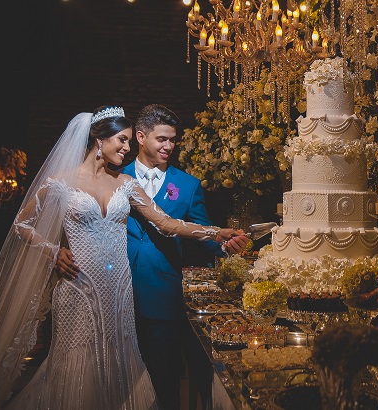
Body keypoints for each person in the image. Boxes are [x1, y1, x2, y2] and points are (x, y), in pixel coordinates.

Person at [0, 105, 246, 410]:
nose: (126, 147)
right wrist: (52, 251)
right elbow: (21, 225)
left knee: (119, 357)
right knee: (77, 358)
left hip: (119, 289)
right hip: (77, 285)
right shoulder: (61, 182)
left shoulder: (126, 184)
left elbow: (166, 223)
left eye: (128, 140)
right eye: (121, 140)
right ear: (100, 140)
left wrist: (215, 232)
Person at [55, 103, 248, 410]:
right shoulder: (112, 173)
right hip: (104, 292)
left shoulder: (183, 184)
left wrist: (220, 239)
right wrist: (59, 250)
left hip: (160, 295)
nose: (169, 146)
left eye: (173, 139)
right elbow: (70, 221)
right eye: (162, 139)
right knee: (100, 376)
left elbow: (177, 225)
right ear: (142, 138)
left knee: (163, 383)